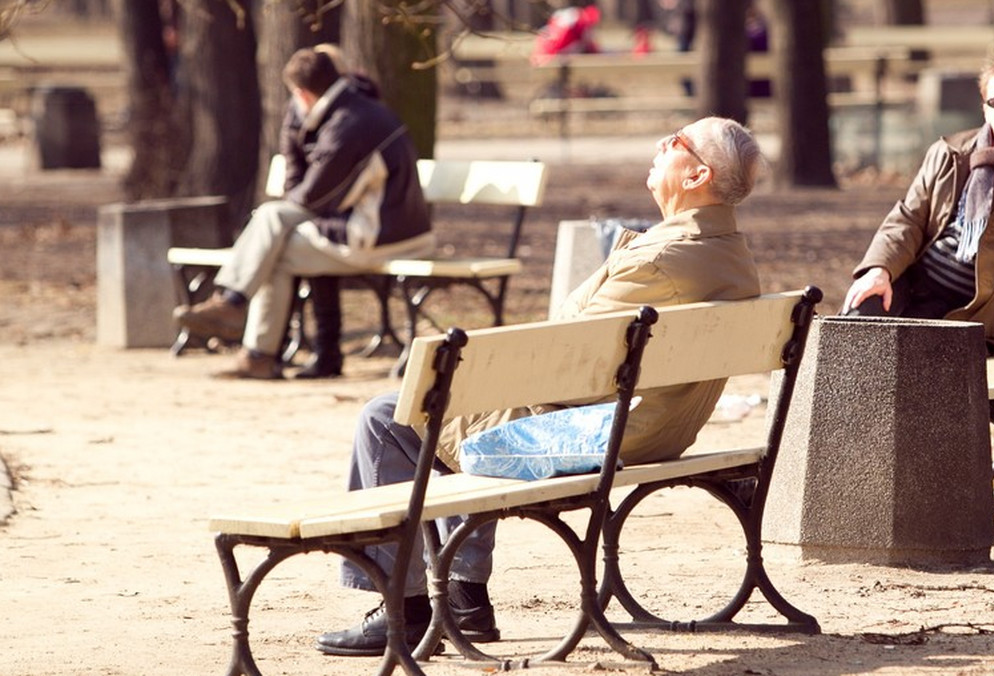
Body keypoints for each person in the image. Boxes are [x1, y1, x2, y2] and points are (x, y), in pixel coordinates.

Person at [315, 116, 765, 657]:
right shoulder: (729, 253)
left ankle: (402, 610)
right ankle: (462, 599)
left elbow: (568, 357)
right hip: (654, 428)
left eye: (677, 141)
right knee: (460, 414)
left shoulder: (660, 260)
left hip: (597, 433)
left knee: (390, 417)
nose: (662, 143)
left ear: (697, 174)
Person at [173, 47, 434, 379]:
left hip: (387, 235)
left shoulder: (349, 125)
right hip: (381, 226)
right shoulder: (349, 111)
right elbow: (300, 183)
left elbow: (313, 196)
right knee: (273, 235)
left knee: (273, 244)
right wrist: (296, 127)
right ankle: (237, 313)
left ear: (302, 92)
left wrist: (298, 131)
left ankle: (247, 332)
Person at [840, 49, 994, 354]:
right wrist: (880, 270)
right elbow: (908, 217)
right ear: (986, 110)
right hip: (916, 285)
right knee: (857, 316)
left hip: (974, 315)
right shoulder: (950, 152)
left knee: (901, 358)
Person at [277, 44, 382, 380]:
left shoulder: (356, 112)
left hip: (352, 218)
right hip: (319, 213)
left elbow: (337, 172)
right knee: (293, 245)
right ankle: (313, 351)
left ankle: (305, 350)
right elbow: (294, 166)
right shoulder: (298, 110)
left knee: (288, 248)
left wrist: (306, 203)